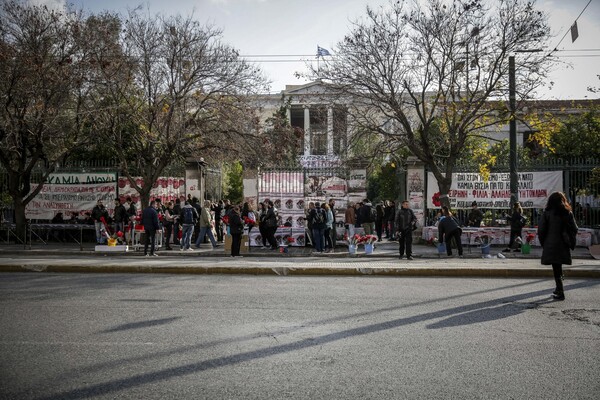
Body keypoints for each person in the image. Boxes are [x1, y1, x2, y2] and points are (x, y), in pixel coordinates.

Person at [538, 192, 579, 300]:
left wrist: (544, 243)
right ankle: (558, 288)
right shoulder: (567, 212)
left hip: (551, 244)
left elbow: (541, 230)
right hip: (563, 244)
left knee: (556, 267)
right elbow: (575, 228)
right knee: (558, 266)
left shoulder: (547, 213)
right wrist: (569, 239)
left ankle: (560, 291)